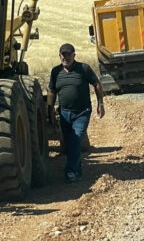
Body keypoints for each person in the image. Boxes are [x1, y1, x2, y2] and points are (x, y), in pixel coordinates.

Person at [47, 43, 105, 183]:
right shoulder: (56, 72)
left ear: (74, 55)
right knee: (70, 142)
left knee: (76, 138)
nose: (66, 57)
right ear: (59, 56)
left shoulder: (83, 68)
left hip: (82, 112)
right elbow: (51, 91)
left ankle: (71, 172)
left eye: (69, 54)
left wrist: (100, 103)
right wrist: (49, 110)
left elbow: (96, 84)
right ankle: (77, 171)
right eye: (63, 54)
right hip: (64, 113)